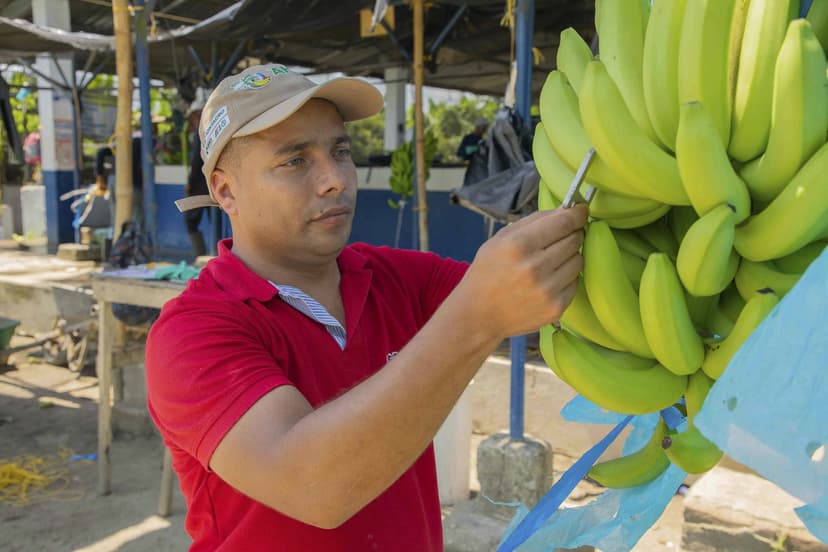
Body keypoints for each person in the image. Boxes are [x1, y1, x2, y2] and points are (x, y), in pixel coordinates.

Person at [145, 63, 587, 551]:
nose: (335, 179)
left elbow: (541, 297)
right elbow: (314, 488)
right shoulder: (193, 332)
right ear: (226, 190)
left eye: (340, 151)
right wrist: (476, 319)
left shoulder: (395, 278)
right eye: (295, 161)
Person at [182, 90, 210, 257]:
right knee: (218, 222)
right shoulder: (214, 131)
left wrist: (190, 183)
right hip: (213, 185)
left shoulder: (201, 133)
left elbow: (195, 162)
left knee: (190, 221)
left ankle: (200, 255)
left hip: (200, 187)